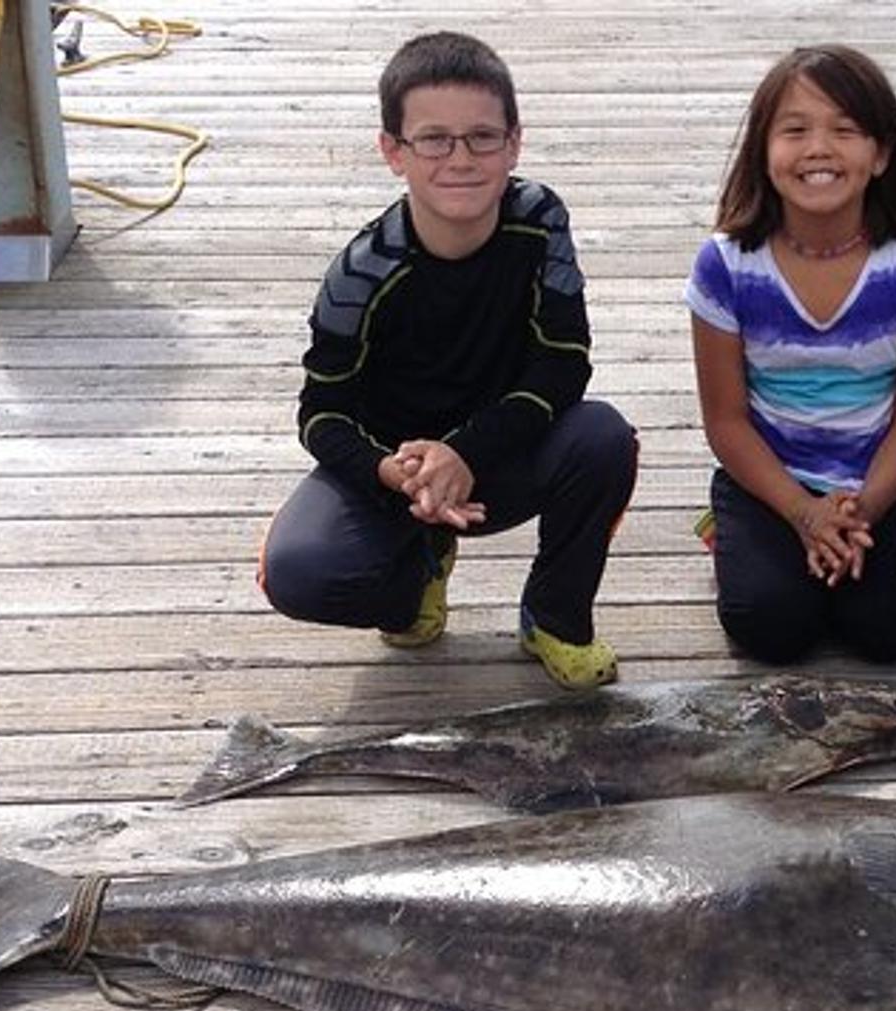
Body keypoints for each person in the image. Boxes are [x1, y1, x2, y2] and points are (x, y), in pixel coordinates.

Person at [259, 31, 637, 689]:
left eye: (482, 137)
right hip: (394, 473)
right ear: (393, 152)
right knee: (298, 571)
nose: (460, 158)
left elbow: (564, 360)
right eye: (433, 139)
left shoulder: (539, 218)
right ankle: (417, 573)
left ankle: (555, 616)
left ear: (514, 142)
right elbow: (320, 416)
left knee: (603, 437)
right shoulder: (359, 273)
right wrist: (392, 472)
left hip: (501, 452)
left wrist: (465, 452)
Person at [686, 44, 896, 664]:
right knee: (769, 628)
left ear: (882, 154)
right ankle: (734, 533)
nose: (819, 148)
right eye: (794, 130)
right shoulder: (726, 266)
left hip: (877, 480)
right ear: (764, 151)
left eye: (846, 130)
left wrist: (856, 510)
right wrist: (803, 513)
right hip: (768, 478)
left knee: (892, 629)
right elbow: (727, 422)